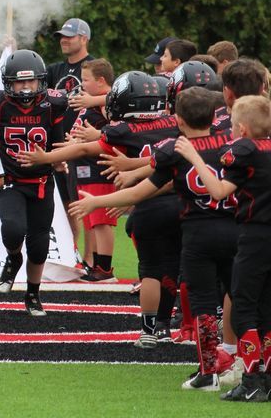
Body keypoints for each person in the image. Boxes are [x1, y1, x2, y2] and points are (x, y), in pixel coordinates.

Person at [69, 87, 236, 391]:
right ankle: (247, 362)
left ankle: (209, 371)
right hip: (236, 230)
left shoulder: (176, 149)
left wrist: (96, 202)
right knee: (239, 295)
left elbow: (140, 191)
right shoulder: (232, 142)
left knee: (202, 305)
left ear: (180, 120)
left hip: (199, 233)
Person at [18, 71, 181, 345]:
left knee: (151, 270)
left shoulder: (123, 131)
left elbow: (82, 150)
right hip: (179, 204)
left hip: (146, 206)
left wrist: (45, 156)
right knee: (177, 269)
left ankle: (150, 330)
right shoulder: (175, 124)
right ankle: (173, 325)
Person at [175, 95, 271, 401]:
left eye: (231, 126)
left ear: (242, 129)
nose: (228, 131)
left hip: (256, 236)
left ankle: (253, 378)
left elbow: (217, 191)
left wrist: (194, 157)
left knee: (244, 308)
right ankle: (266, 378)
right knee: (268, 309)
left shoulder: (244, 149)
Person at [0, 49, 69, 317]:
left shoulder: (51, 105)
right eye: (20, 81)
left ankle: (33, 294)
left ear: (40, 81)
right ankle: (13, 257)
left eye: (30, 81)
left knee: (40, 245)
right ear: (8, 82)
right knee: (13, 230)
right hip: (10, 180)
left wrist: (59, 158)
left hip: (42, 181)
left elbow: (57, 140)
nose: (25, 87)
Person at [47, 18, 95, 269]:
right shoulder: (55, 69)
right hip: (58, 148)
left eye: (69, 36)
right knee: (66, 204)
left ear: (84, 38)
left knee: (84, 202)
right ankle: (71, 253)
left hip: (83, 145)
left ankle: (91, 259)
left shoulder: (94, 66)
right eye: (62, 36)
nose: (64, 40)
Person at [72, 58, 117, 281]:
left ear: (100, 81)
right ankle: (98, 264)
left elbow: (116, 117)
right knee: (92, 218)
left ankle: (105, 268)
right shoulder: (93, 101)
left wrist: (98, 135)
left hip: (100, 166)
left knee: (101, 219)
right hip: (86, 165)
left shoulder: (107, 100)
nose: (82, 85)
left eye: (85, 80)